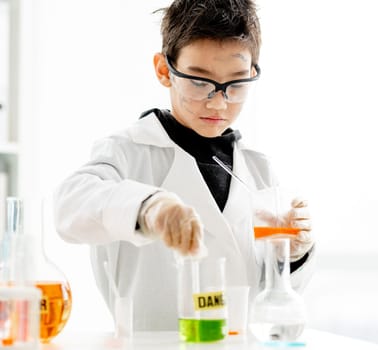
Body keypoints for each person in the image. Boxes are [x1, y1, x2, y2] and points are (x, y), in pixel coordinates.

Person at [54, 0, 315, 331]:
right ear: (165, 71)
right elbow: (68, 206)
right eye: (199, 82)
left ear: (252, 73)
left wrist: (292, 255)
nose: (218, 101)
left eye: (235, 84)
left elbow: (274, 304)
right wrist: (149, 208)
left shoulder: (260, 171)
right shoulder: (127, 153)